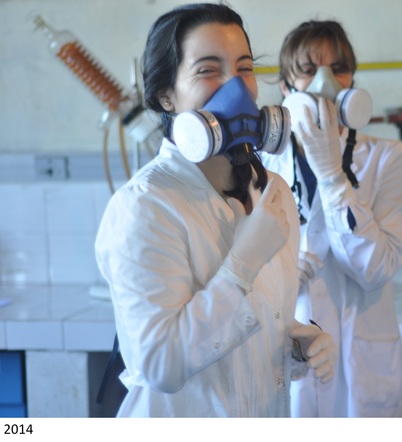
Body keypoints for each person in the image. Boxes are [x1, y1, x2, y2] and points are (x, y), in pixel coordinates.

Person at [94, 3, 336, 418]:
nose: (236, 89)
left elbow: (247, 333)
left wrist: (295, 342)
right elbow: (160, 364)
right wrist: (241, 265)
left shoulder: (272, 191)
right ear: (166, 95)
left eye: (244, 68)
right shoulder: (145, 207)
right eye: (208, 70)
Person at [261, 20, 402, 417]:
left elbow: (375, 269)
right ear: (285, 88)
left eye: (338, 68)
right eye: (309, 70)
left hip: (360, 369)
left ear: (352, 81)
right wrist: (276, 274)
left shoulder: (389, 158)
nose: (325, 82)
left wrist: (332, 176)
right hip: (287, 358)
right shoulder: (259, 163)